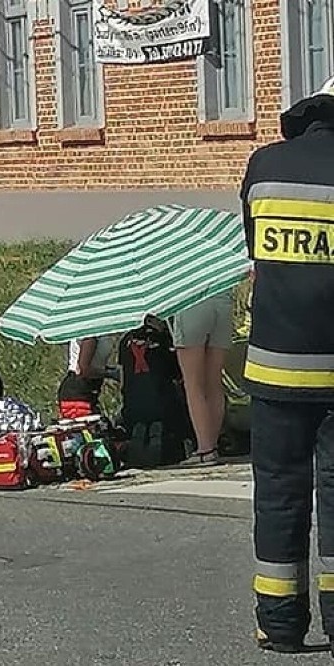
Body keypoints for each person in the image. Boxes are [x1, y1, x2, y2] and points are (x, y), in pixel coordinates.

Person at [240, 75, 334, 655]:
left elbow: (258, 255)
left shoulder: (263, 167)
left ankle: (279, 624)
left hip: (275, 368)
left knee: (278, 494)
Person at [170, 291, 233, 467]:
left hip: (191, 300)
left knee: (193, 384)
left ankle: (205, 448)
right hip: (223, 300)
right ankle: (212, 445)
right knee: (214, 382)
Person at [57, 336, 114, 419]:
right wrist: (110, 374)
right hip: (79, 390)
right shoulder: (90, 334)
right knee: (86, 428)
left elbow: (95, 364)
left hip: (82, 387)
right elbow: (83, 369)